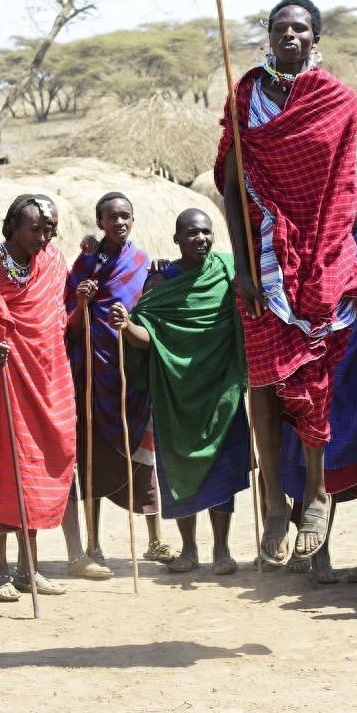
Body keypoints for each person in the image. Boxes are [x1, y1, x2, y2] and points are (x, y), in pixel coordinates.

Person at [216, 0, 357, 566]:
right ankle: (271, 501)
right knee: (262, 378)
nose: (290, 35)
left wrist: (329, 254)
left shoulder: (337, 100)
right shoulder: (246, 97)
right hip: (261, 257)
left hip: (318, 255)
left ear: (316, 38)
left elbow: (342, 185)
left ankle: (314, 491)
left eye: (301, 29)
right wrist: (242, 264)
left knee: (315, 373)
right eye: (280, 27)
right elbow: (231, 185)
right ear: (268, 34)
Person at [110, 209, 250, 575]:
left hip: (221, 390)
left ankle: (222, 548)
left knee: (221, 468)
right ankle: (189, 549)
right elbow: (146, 340)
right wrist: (126, 326)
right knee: (177, 471)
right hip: (175, 393)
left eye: (206, 232)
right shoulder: (160, 283)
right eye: (191, 234)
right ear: (176, 240)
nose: (200, 239)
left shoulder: (228, 271)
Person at [0, 194, 76, 602]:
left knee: (37, 470)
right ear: (12, 224)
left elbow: (60, 315)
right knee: (4, 469)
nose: (44, 236)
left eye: (50, 229)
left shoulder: (55, 261)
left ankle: (29, 569)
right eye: (36, 228)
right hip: (5, 378)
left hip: (49, 378)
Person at [63, 192, 172, 580]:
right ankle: (93, 543)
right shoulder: (84, 265)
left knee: (144, 457)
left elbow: (155, 311)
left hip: (133, 378)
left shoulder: (144, 264)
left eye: (126, 216)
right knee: (92, 461)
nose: (120, 222)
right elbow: (68, 326)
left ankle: (155, 538)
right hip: (94, 377)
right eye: (112, 217)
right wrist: (81, 301)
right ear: (100, 222)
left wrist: (160, 276)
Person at [281, 175, 357, 584]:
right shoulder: (319, 238)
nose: (348, 205)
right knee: (314, 450)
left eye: (355, 199)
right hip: (321, 359)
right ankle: (318, 552)